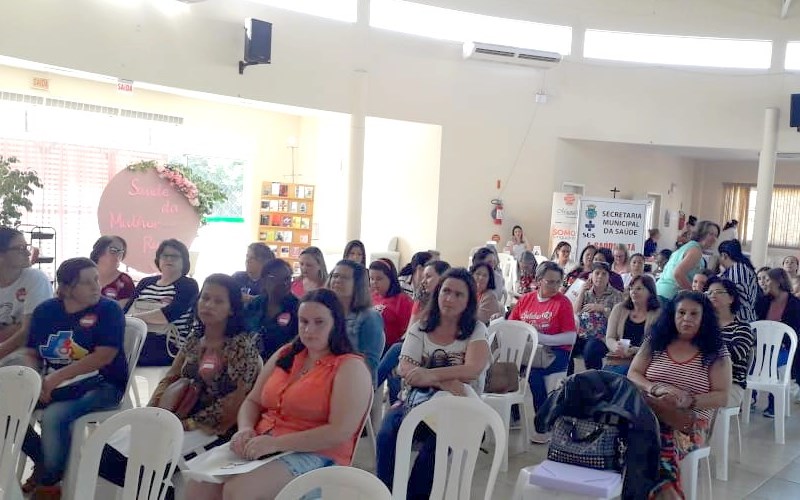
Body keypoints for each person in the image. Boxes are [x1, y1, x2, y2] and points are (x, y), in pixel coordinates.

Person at [186, 289, 372, 500]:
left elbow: (339, 432)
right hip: (264, 442)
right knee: (199, 485)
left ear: (336, 324)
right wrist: (245, 429)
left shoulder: (349, 367)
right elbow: (253, 401)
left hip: (318, 453)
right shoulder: (287, 353)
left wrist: (276, 444)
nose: (309, 330)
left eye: (319, 322)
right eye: (303, 321)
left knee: (240, 491)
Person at [99, 274, 263, 487]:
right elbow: (171, 377)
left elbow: (234, 403)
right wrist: (153, 413)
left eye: (218, 301)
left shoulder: (241, 346)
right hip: (178, 415)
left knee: (144, 462)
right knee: (109, 453)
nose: (208, 305)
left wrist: (184, 424)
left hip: (212, 428)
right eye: (205, 298)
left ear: (232, 309)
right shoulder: (196, 338)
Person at [376, 268, 489, 497]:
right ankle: (386, 493)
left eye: (459, 294)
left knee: (436, 447)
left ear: (468, 301)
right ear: (437, 293)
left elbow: (472, 370)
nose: (450, 298)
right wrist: (444, 382)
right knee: (387, 432)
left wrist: (429, 375)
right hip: (416, 400)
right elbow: (405, 367)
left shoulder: (476, 329)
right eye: (446, 291)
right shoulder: (421, 326)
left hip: (459, 406)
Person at [21, 258, 128, 498]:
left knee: (54, 416)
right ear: (66, 289)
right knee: (8, 407)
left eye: (97, 279)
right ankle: (44, 459)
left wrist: (55, 379)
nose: (96, 287)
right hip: (53, 382)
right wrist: (36, 379)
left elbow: (104, 356)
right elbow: (31, 352)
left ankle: (50, 482)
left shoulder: (108, 310)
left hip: (104, 384)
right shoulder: (46, 311)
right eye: (87, 282)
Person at [627, 291, 731, 499]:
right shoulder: (655, 341)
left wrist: (690, 400)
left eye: (694, 314)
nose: (687, 318)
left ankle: (666, 494)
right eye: (681, 312)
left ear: (704, 318)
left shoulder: (715, 351)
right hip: (649, 413)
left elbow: (722, 396)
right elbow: (633, 373)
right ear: (672, 315)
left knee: (658, 444)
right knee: (630, 438)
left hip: (690, 422)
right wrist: (655, 388)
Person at [508, 261, 576, 437]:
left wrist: (541, 337)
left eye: (557, 282)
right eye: (550, 282)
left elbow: (571, 336)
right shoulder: (526, 299)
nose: (554, 287)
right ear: (539, 280)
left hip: (556, 352)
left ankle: (543, 419)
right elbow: (512, 325)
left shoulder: (563, 303)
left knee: (532, 373)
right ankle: (513, 412)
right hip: (528, 351)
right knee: (508, 367)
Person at [377, 260, 451, 406]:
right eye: (423, 276)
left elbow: (433, 333)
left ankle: (370, 391)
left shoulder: (448, 304)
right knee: (396, 365)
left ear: (443, 278)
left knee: (396, 352)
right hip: (413, 344)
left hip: (433, 350)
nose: (424, 281)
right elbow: (412, 330)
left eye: (429, 276)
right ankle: (398, 407)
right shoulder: (421, 299)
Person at [125, 239, 199, 367]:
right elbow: (126, 311)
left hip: (168, 346)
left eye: (174, 256)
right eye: (165, 255)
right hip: (137, 340)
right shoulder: (145, 283)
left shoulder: (188, 285)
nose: (169, 259)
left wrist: (134, 318)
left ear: (184, 261)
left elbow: (167, 316)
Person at [0, 227, 53, 366]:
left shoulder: (35, 278)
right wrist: (17, 326)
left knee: (19, 365)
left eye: (27, 247)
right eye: (21, 248)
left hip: (27, 353)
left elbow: (29, 331)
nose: (28, 252)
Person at [327, 260, 385, 383]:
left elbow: (369, 363)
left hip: (353, 383)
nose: (337, 280)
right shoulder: (324, 312)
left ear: (357, 284)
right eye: (335, 276)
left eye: (345, 277)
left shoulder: (370, 317)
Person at [755, 268, 800, 417]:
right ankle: (750, 399)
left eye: (767, 280)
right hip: (763, 346)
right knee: (752, 359)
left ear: (778, 282)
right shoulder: (763, 300)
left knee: (773, 363)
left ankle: (774, 405)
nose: (764, 283)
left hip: (785, 348)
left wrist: (782, 342)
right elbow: (757, 324)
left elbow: (795, 330)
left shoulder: (794, 303)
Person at [706, 277, 755, 408]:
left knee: (694, 401)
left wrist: (704, 348)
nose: (713, 295)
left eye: (718, 292)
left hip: (731, 385)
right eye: (709, 293)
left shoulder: (742, 327)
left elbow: (733, 354)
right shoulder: (703, 325)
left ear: (731, 298)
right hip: (702, 380)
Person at [603, 275, 660, 376]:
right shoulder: (619, 309)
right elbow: (610, 337)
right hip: (618, 359)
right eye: (631, 288)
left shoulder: (658, 314)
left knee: (619, 375)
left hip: (643, 362)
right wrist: (615, 346)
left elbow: (657, 345)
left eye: (639, 288)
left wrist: (634, 350)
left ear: (650, 292)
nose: (633, 292)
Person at [243, 259, 300, 361]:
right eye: (277, 278)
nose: (284, 283)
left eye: (287, 279)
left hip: (281, 365)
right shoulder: (255, 305)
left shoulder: (298, 308)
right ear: (264, 280)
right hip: (251, 362)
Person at [573, 262, 623, 372]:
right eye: (597, 273)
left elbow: (620, 320)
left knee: (591, 350)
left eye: (604, 274)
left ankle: (595, 383)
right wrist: (582, 291)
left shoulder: (617, 295)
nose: (600, 276)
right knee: (566, 346)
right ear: (591, 275)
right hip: (582, 335)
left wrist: (602, 309)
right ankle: (568, 381)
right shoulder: (585, 293)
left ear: (609, 277)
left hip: (603, 338)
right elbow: (575, 313)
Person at [656, 220, 720, 302]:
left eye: (716, 235)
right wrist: (693, 296)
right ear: (701, 233)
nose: (714, 239)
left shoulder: (688, 246)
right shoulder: (696, 250)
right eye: (711, 234)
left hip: (660, 292)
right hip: (670, 296)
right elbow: (678, 274)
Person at [369, 258, 413, 348]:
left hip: (390, 347)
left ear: (390, 278)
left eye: (379, 279)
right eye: (371, 278)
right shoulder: (371, 296)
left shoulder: (403, 301)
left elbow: (407, 332)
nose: (374, 282)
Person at [717, 239, 758, 323]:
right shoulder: (735, 269)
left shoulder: (738, 270)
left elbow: (737, 295)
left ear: (724, 255)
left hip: (741, 320)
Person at [89, 235, 135, 309]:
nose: (118, 255)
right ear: (99, 251)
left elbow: (119, 311)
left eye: (121, 252)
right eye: (113, 251)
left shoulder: (125, 281)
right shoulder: (82, 276)